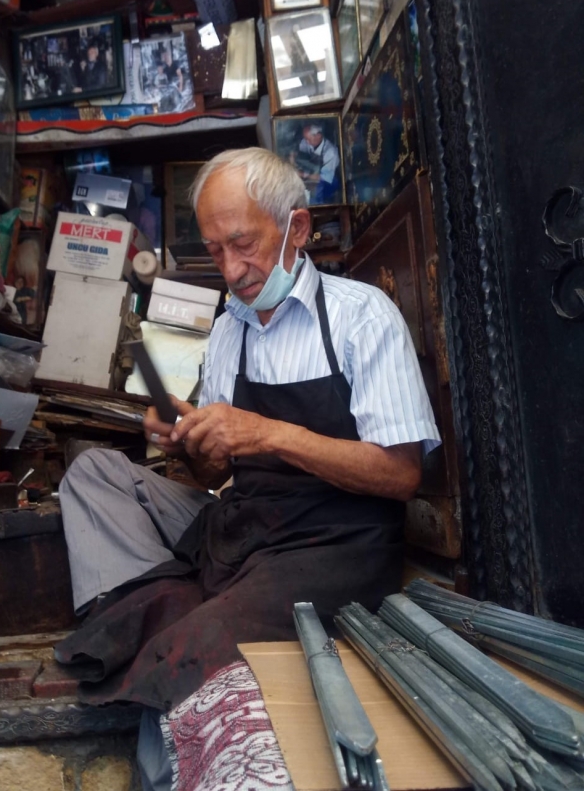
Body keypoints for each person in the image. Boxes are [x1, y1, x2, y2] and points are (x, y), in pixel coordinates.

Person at [56, 148, 439, 729]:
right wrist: (188, 444)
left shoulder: (362, 317)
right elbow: (215, 477)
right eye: (215, 251)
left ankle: (188, 609)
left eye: (244, 244)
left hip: (335, 544)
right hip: (245, 526)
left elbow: (401, 474)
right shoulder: (228, 330)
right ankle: (170, 600)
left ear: (298, 228)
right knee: (93, 472)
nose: (232, 270)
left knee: (188, 653)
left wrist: (269, 434)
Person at [293, 123, 341, 204]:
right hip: (312, 173)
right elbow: (299, 153)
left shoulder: (330, 152)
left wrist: (304, 175)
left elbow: (325, 177)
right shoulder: (306, 142)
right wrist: (293, 158)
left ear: (318, 136)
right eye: (305, 139)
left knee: (314, 196)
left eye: (308, 139)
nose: (306, 142)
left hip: (328, 183)